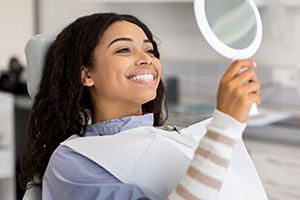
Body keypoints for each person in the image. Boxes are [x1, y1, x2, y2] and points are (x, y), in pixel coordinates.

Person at [19, 13, 262, 200]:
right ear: (86, 74)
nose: (147, 58)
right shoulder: (73, 161)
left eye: (149, 50)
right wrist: (223, 129)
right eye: (123, 49)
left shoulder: (170, 138)